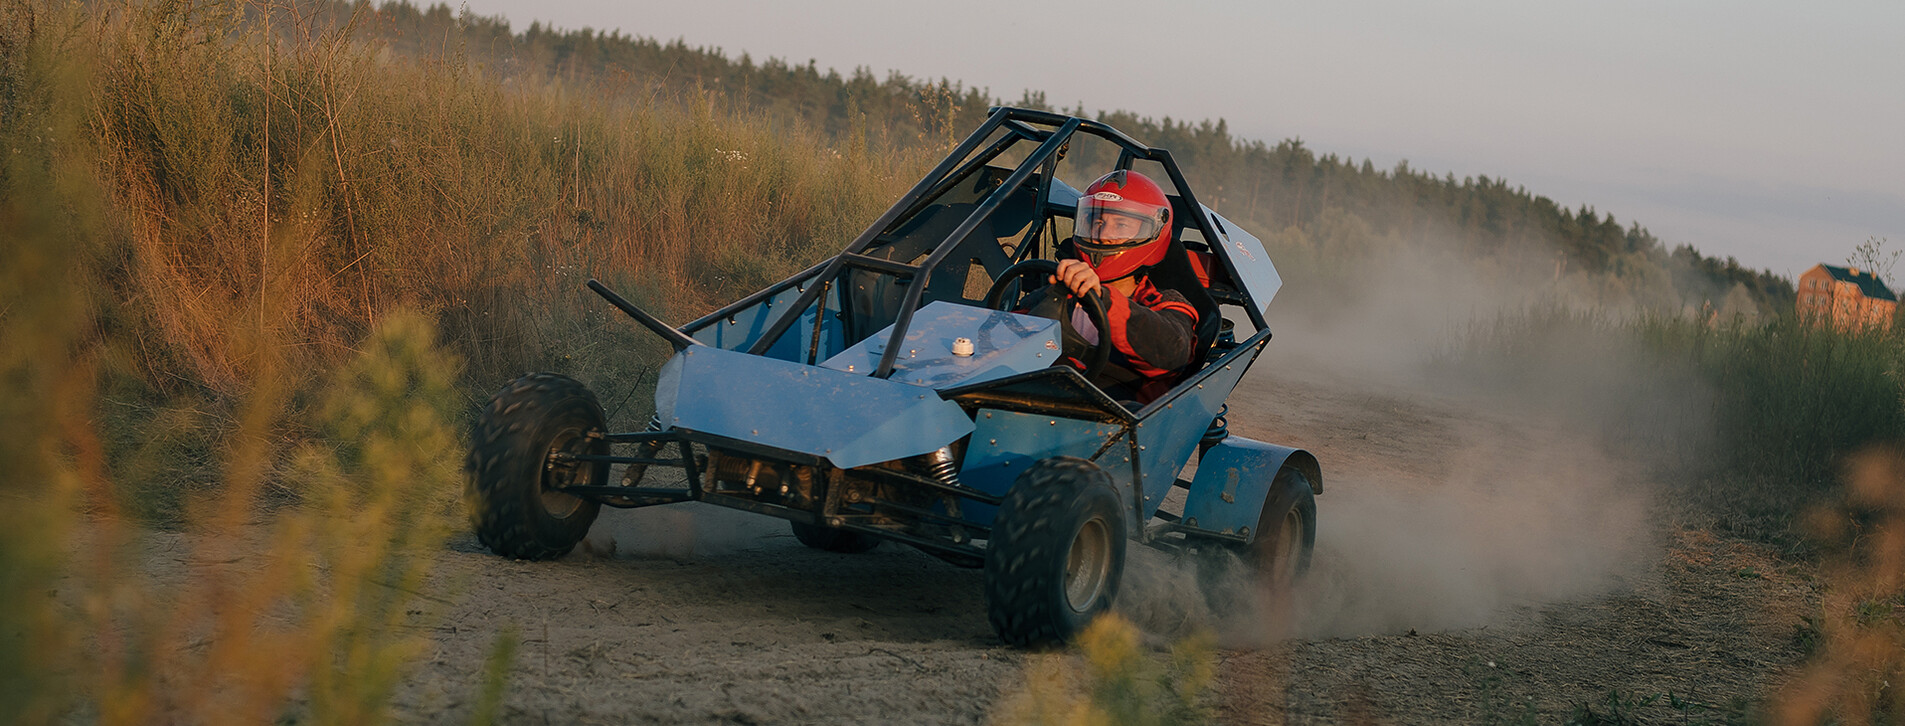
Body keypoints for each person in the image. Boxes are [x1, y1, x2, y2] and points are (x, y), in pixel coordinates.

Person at [1027, 169, 1200, 404]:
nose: (1103, 235)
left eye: (1120, 225)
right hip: (1034, 406)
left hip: (1112, 423)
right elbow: (1002, 340)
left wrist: (1102, 298)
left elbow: (1171, 354)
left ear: (1151, 231)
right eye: (1097, 221)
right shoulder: (1060, 294)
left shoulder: (1166, 303)